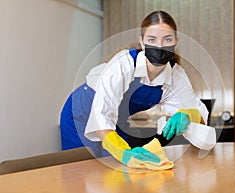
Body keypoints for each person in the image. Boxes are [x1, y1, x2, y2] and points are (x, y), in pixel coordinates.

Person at [60, 10, 208, 165]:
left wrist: (188, 116)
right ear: (142, 42)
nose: (159, 46)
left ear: (175, 41)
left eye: (167, 39)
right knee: (83, 169)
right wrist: (123, 153)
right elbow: (101, 118)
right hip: (81, 112)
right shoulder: (123, 65)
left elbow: (200, 120)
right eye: (152, 39)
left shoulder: (177, 77)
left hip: (117, 120)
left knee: (119, 171)